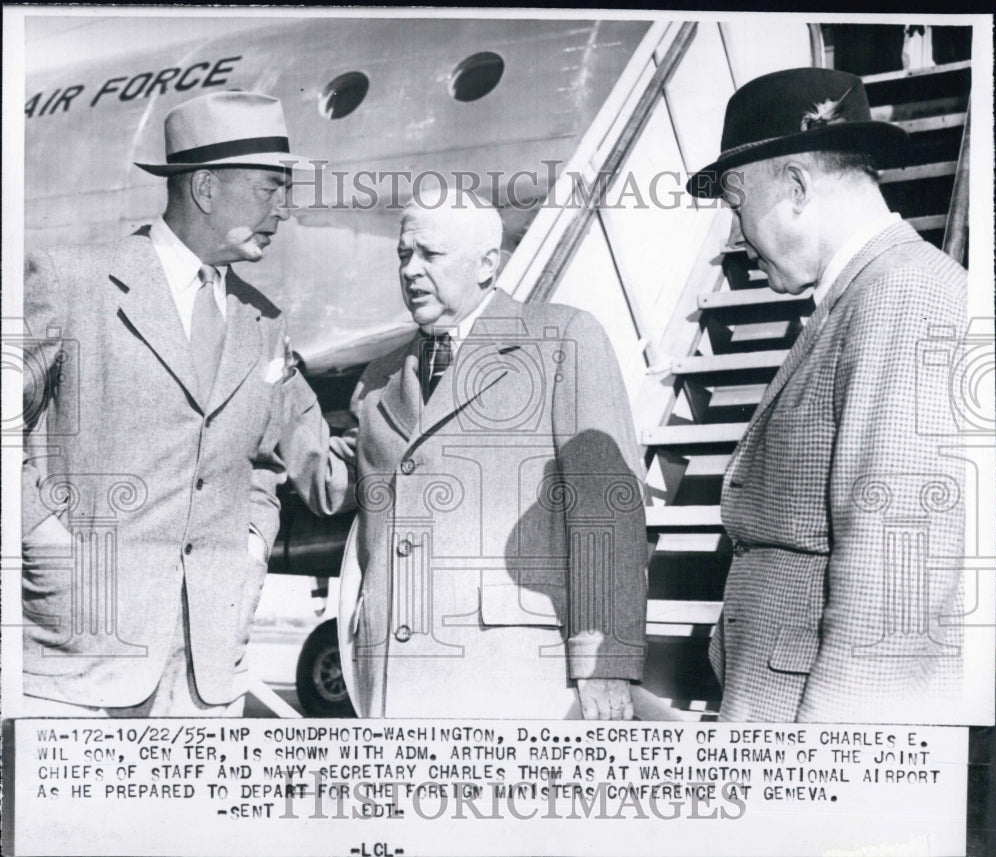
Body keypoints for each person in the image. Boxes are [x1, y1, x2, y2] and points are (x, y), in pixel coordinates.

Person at [20, 91, 349, 716]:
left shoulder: (263, 321)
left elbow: (262, 461)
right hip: (81, 657)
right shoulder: (71, 283)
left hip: (209, 674)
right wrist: (41, 537)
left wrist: (252, 544)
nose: (284, 209)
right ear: (204, 187)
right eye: (267, 189)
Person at [686, 67, 966, 723]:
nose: (738, 236)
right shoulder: (863, 296)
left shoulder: (908, 297)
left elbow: (895, 597)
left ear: (796, 186)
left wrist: (820, 781)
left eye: (736, 205)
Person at [303, 192, 649, 719]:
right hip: (393, 681)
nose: (410, 272)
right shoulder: (379, 379)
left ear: (488, 263)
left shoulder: (562, 340)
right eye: (403, 255)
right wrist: (279, 391)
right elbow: (338, 485)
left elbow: (608, 511)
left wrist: (605, 663)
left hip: (511, 677)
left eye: (430, 255)